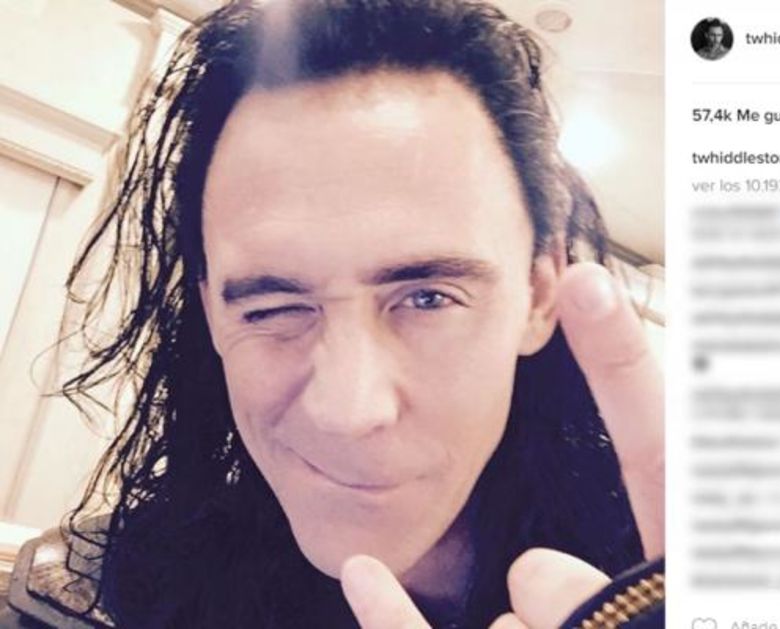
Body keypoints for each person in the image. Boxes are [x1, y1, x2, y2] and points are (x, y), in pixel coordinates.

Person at [0, 0, 664, 627]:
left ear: (539, 294)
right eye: (272, 307)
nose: (348, 411)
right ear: (211, 312)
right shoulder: (93, 596)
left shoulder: (675, 581)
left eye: (428, 298)